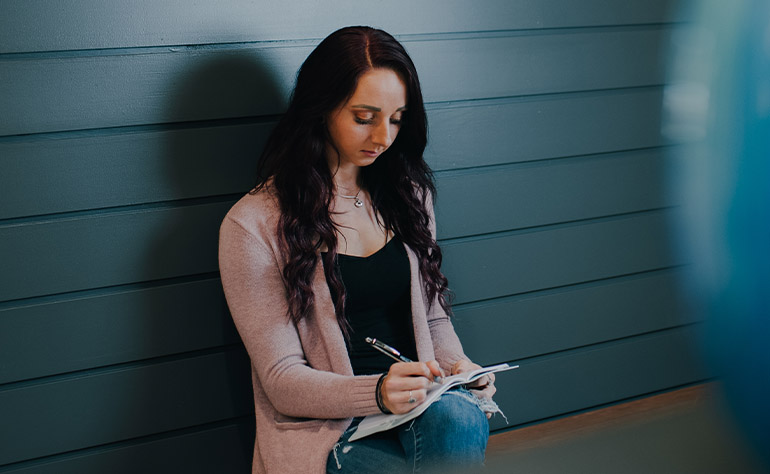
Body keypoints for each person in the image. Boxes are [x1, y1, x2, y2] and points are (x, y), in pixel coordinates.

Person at [218, 26, 499, 474]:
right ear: (322, 108)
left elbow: (433, 317)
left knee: (458, 415)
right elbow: (281, 380)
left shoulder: (407, 195)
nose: (383, 137)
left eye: (397, 118)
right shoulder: (252, 224)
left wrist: (459, 367)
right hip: (332, 432)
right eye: (364, 117)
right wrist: (376, 392)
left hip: (422, 409)